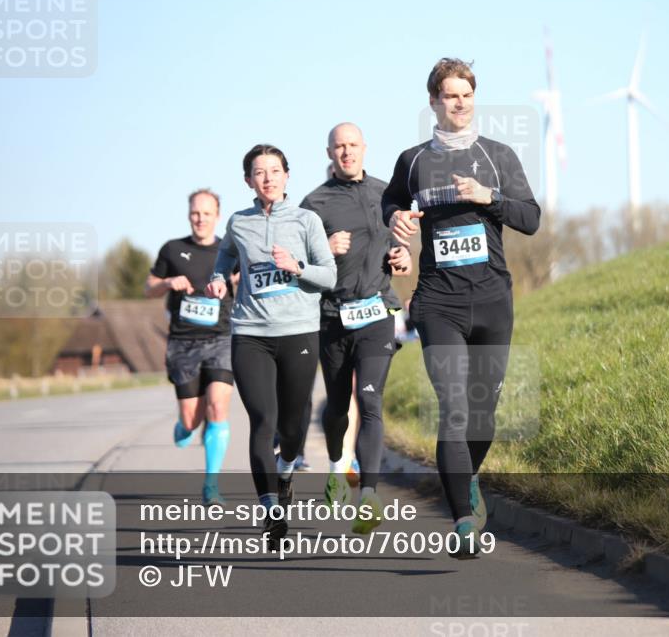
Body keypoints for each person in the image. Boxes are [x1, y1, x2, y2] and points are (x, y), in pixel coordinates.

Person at [382, 59, 541, 558]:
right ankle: (462, 523)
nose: (459, 103)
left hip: (493, 298)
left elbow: (531, 219)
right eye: (450, 95)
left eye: (466, 95)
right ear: (433, 101)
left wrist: (488, 197)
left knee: (482, 418)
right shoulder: (412, 161)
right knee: (453, 410)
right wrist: (399, 225)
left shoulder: (498, 156)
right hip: (437, 301)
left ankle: (468, 477)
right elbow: (390, 202)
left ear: (475, 98)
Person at [205, 144, 336, 542]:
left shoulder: (306, 220)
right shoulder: (238, 222)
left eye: (275, 170)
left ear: (286, 176)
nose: (268, 178)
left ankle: (286, 471)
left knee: (292, 428)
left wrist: (296, 267)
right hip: (251, 334)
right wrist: (217, 279)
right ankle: (271, 509)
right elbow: (225, 257)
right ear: (248, 181)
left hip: (298, 330)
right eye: (259, 172)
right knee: (263, 421)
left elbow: (329, 277)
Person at [302, 122, 412, 535]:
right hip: (332, 317)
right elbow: (299, 269)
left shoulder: (388, 195)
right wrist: (324, 251)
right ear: (329, 153)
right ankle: (336, 465)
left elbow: (399, 250)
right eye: (338, 147)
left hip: (377, 312)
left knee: (369, 401)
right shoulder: (313, 203)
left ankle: (367, 496)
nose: (346, 152)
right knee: (335, 409)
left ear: (365, 148)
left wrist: (402, 260)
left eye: (353, 145)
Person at [145, 189, 235, 506]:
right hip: (183, 343)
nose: (200, 219)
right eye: (196, 213)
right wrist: (168, 283)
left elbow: (245, 283)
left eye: (207, 213)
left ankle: (211, 485)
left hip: (221, 338)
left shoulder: (230, 249)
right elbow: (149, 287)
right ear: (189, 215)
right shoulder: (172, 250)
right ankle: (185, 428)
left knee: (218, 407)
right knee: (191, 419)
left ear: (217, 216)